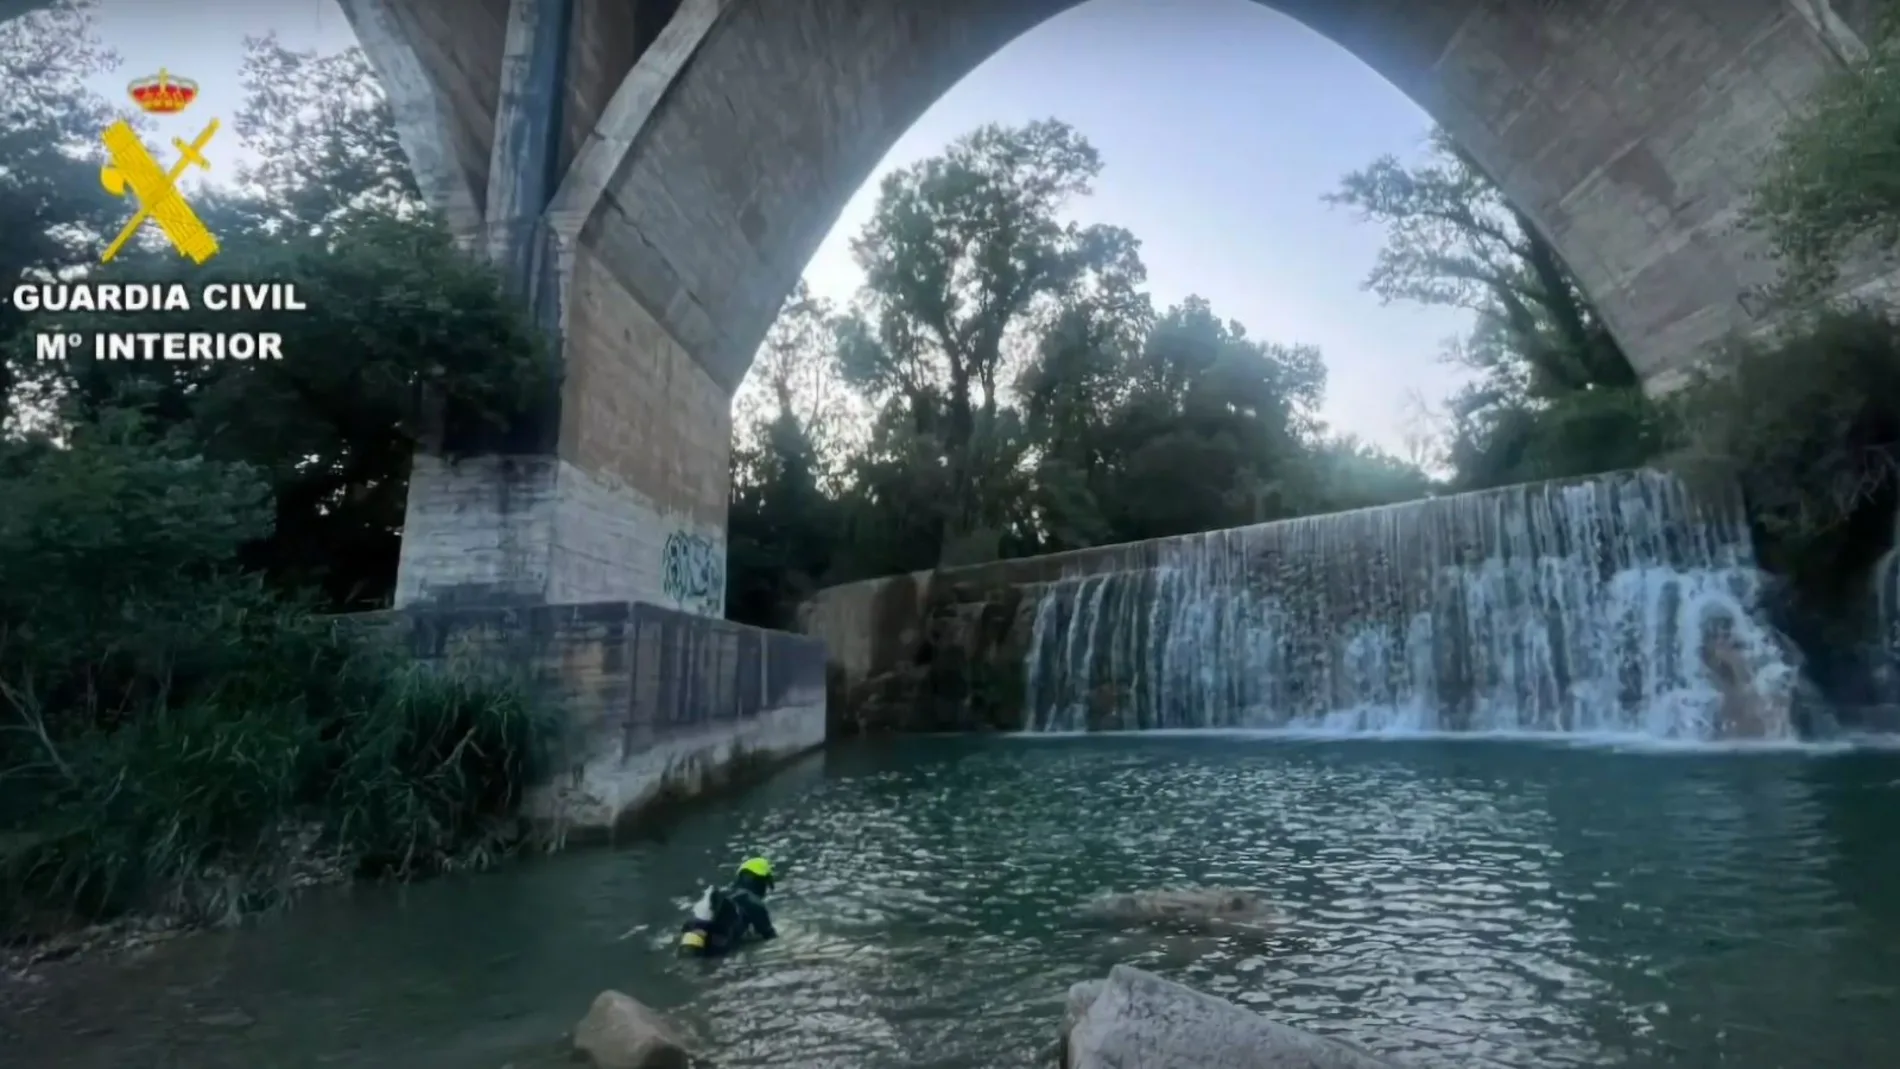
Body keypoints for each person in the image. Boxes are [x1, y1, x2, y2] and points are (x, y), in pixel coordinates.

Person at [678, 856, 777, 956]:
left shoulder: (724, 894)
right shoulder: (753, 902)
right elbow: (770, 936)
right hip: (719, 945)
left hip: (694, 932)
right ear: (762, 882)